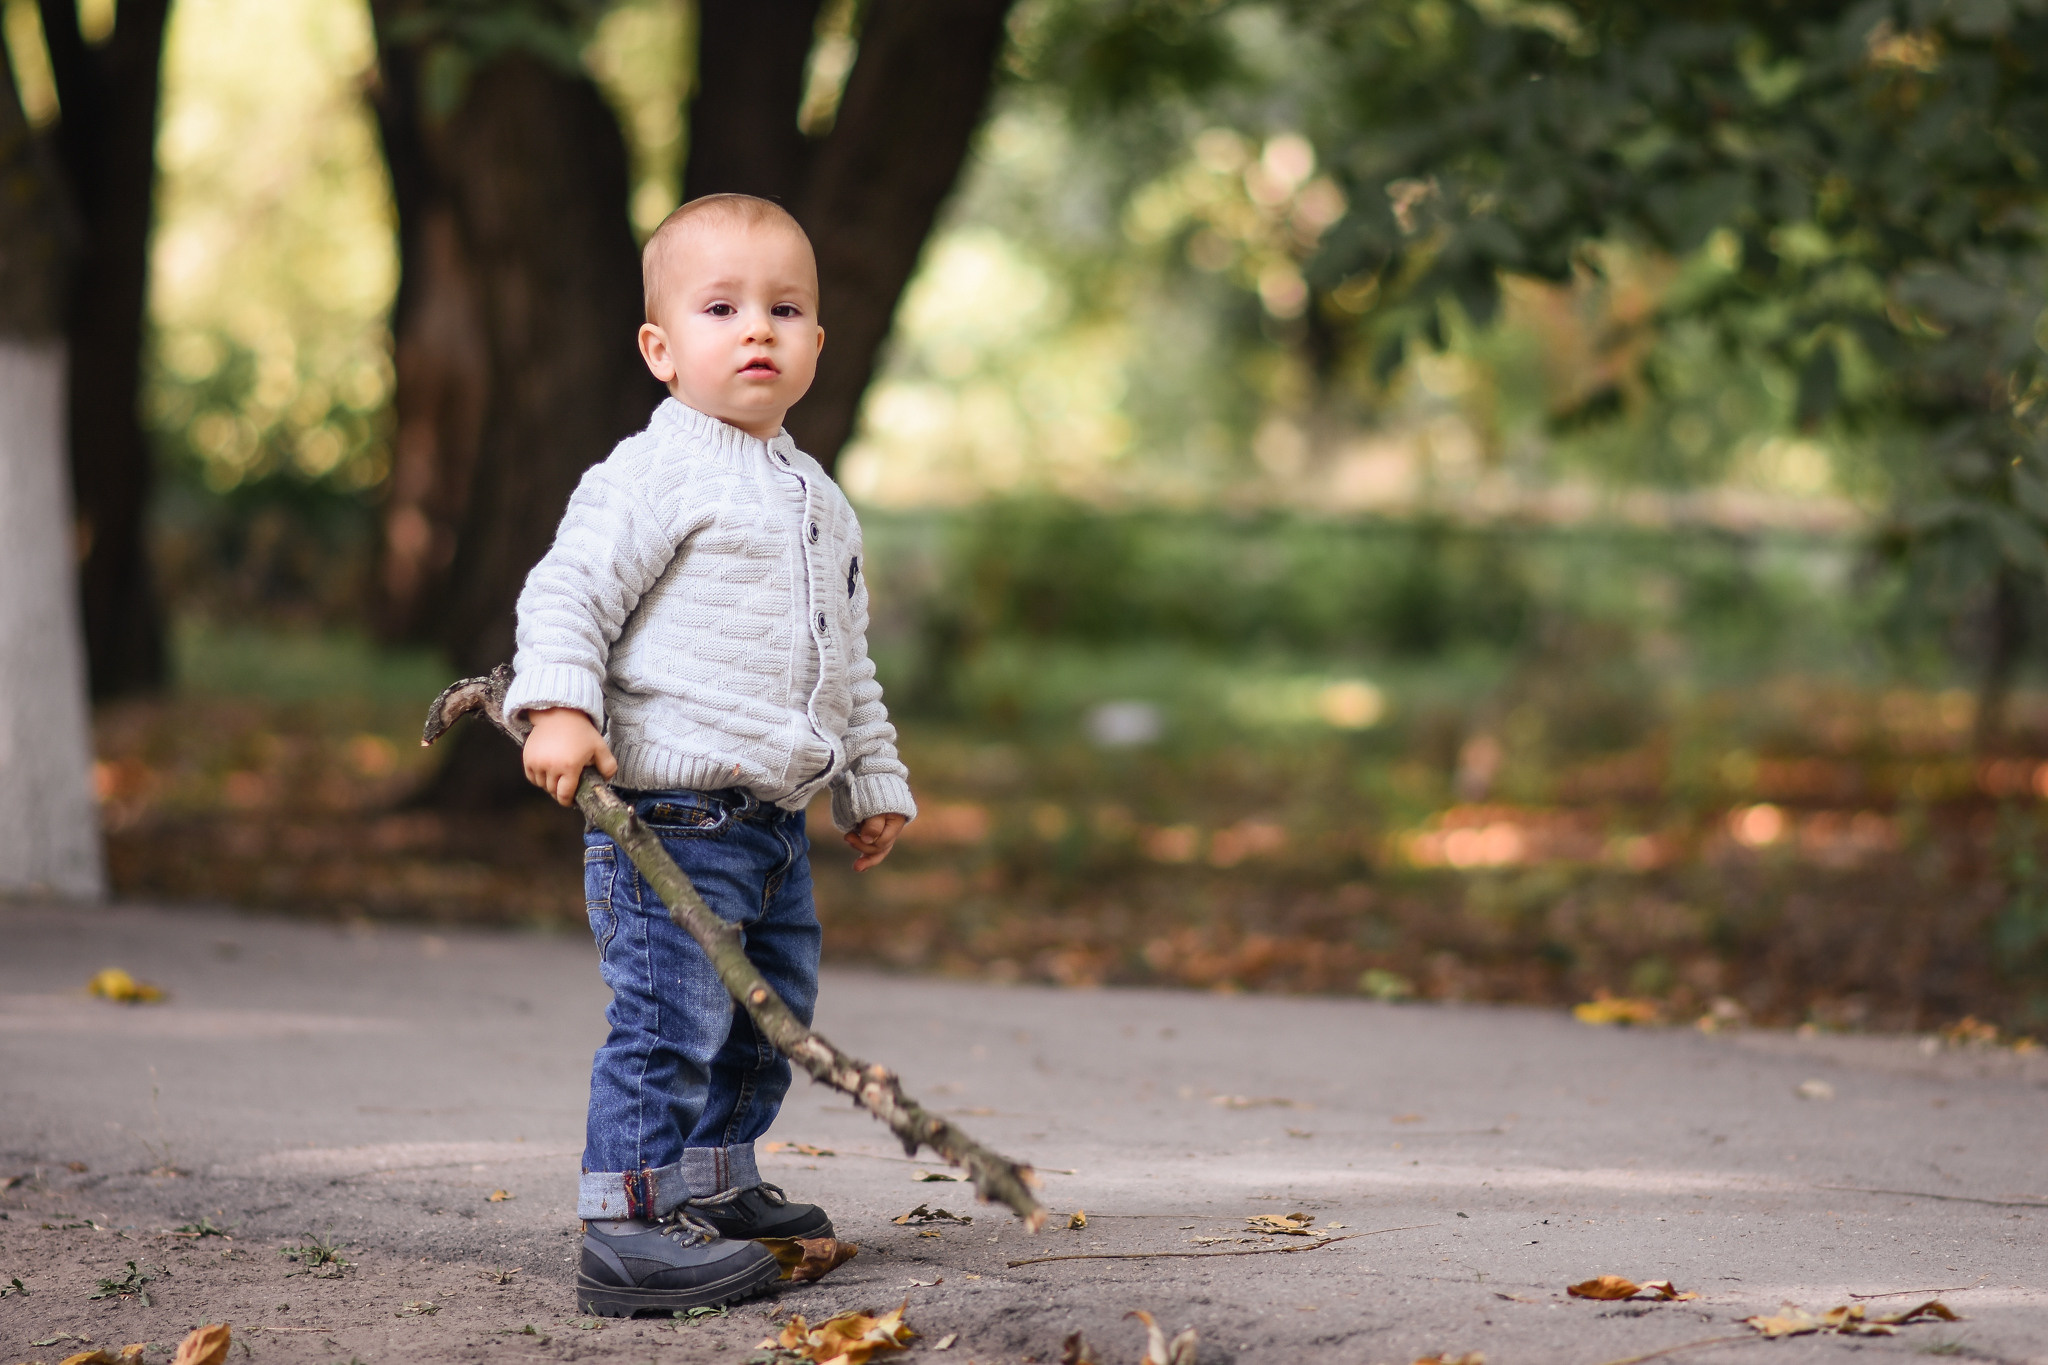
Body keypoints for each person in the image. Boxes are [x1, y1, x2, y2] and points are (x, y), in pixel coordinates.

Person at [504, 193, 917, 1317]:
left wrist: (868, 780)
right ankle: (629, 1223)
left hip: (771, 828)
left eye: (785, 310)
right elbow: (568, 594)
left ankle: (714, 1185)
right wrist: (557, 707)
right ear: (659, 348)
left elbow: (847, 663)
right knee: (669, 1022)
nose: (756, 331)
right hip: (670, 817)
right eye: (721, 307)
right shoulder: (653, 473)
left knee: (764, 1017)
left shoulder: (819, 499)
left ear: (817, 347)